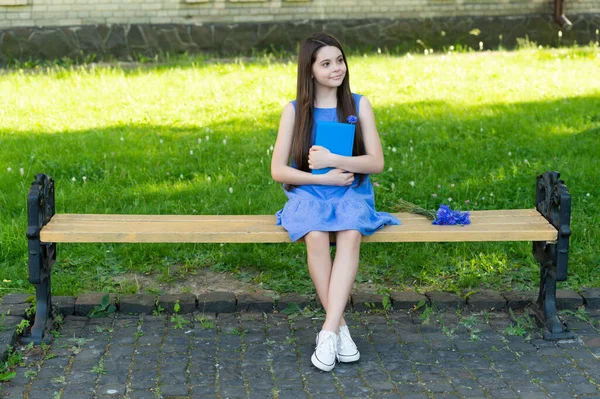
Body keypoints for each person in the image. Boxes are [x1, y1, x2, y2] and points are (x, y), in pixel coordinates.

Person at [270, 33, 400, 372]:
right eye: (326, 63)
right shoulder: (295, 111)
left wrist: (337, 159)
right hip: (310, 191)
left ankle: (327, 330)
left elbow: (376, 163)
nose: (336, 68)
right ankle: (339, 327)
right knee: (314, 235)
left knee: (351, 232)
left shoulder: (359, 104)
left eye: (339, 60)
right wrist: (321, 176)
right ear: (310, 70)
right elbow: (278, 170)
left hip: (350, 191)